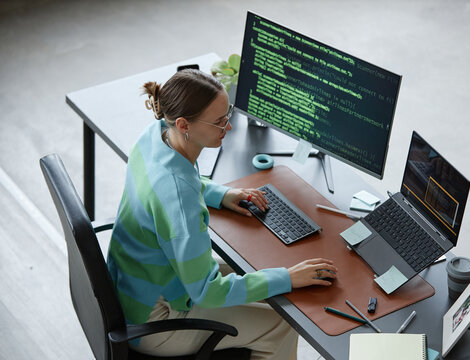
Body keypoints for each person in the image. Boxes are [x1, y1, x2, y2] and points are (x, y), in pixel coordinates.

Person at [106, 68, 337, 359]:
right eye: (219, 122)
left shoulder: (155, 136)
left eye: (227, 115)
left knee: (264, 279)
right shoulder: (180, 202)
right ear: (184, 124)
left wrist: (220, 194)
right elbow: (207, 292)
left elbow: (168, 183)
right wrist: (288, 278)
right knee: (281, 322)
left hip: (134, 283)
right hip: (154, 318)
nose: (227, 127)